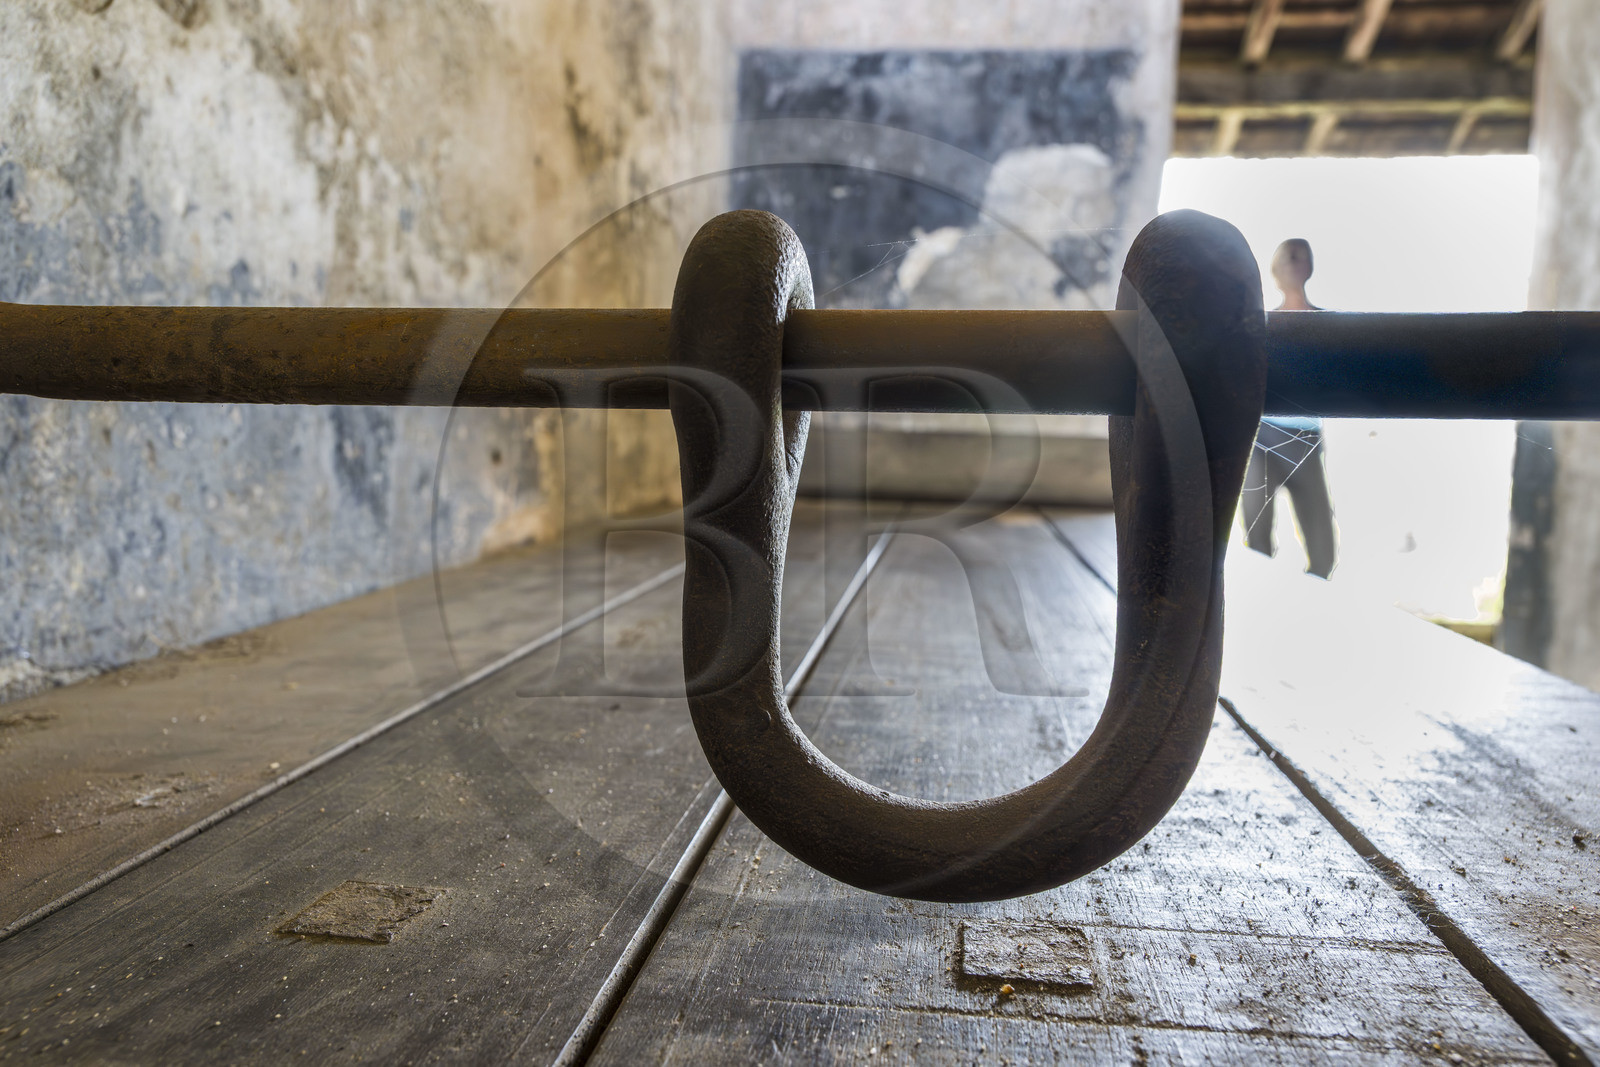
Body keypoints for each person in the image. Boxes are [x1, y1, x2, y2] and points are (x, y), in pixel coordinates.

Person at [1242, 238, 1339, 578]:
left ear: (1309, 268)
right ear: (1275, 271)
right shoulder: (1262, 324)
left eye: (1302, 256)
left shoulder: (1327, 324)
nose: (1295, 262)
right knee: (1255, 536)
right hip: (1261, 439)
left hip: (1306, 439)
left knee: (1323, 548)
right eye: (1288, 257)